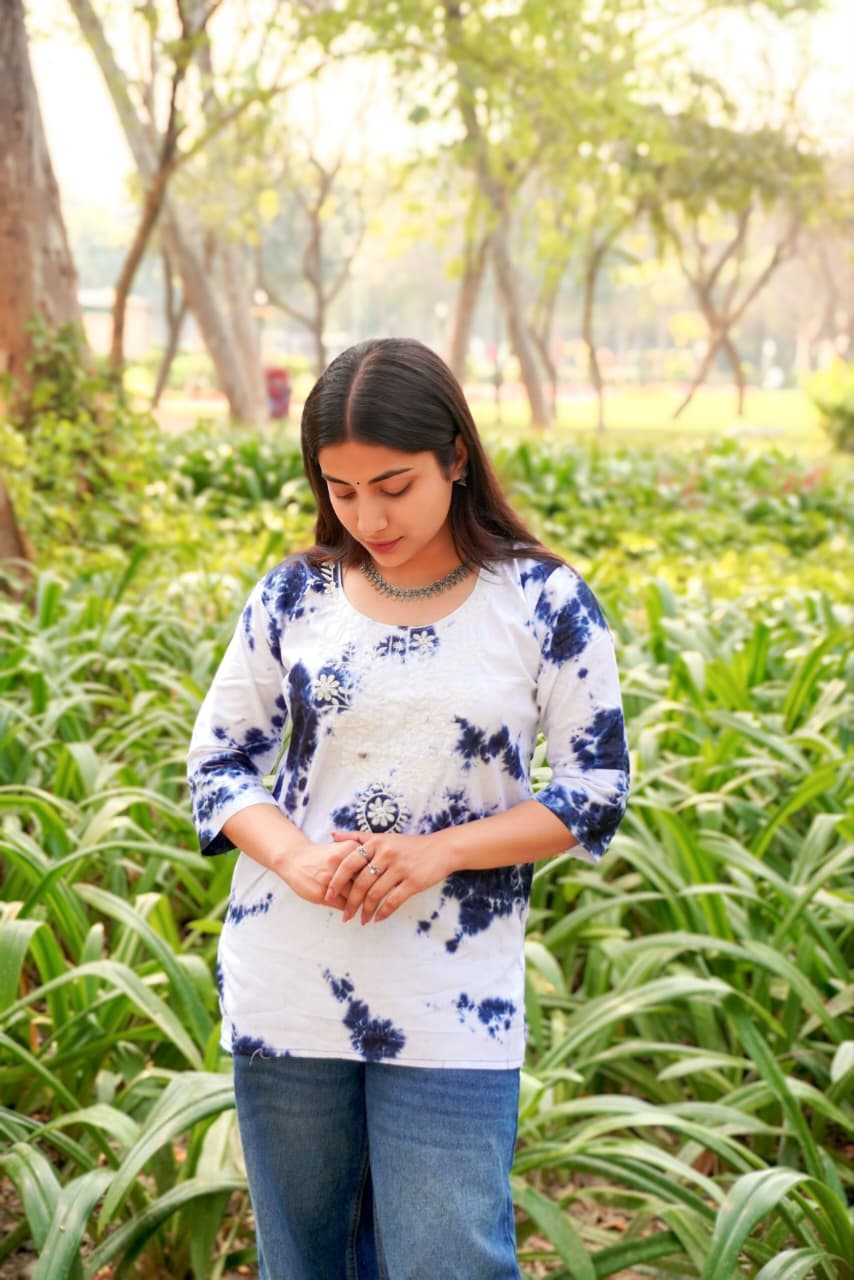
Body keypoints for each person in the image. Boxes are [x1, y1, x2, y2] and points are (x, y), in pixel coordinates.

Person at [187, 338, 630, 1280]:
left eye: (393, 485)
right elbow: (220, 763)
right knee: (302, 1260)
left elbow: (594, 790)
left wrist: (439, 854)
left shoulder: (543, 601)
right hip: (288, 977)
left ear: (456, 457)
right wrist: (298, 861)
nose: (369, 515)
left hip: (450, 994)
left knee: (448, 1259)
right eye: (342, 490)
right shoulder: (294, 597)